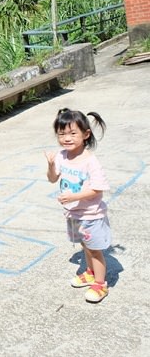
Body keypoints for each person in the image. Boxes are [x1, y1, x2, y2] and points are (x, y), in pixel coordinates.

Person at [45, 108, 111, 303]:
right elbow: (52, 179)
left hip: (91, 214)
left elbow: (97, 190)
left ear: (86, 134)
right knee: (85, 245)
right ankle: (90, 273)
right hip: (73, 213)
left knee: (95, 249)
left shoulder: (90, 161)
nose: (67, 138)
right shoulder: (61, 156)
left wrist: (74, 196)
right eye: (62, 133)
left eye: (73, 133)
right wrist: (50, 165)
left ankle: (100, 283)